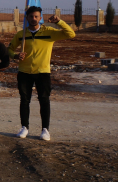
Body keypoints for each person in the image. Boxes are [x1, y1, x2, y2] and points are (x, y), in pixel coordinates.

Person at [8, 8, 75, 141]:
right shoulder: (21, 35)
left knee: (44, 100)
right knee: (24, 100)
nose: (33, 19)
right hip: (24, 72)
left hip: (42, 72)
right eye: (31, 16)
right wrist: (15, 55)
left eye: (36, 16)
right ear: (27, 18)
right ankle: (24, 127)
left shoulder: (49, 32)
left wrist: (59, 22)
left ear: (40, 18)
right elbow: (9, 49)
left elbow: (71, 34)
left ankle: (45, 130)